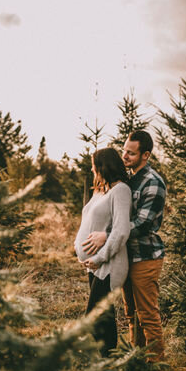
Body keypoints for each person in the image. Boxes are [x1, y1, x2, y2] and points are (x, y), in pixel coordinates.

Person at [82, 130, 167, 361]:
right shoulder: (128, 179)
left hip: (145, 256)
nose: (125, 156)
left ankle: (156, 363)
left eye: (131, 153)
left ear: (145, 155)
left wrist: (106, 235)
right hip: (125, 256)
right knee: (131, 314)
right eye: (124, 151)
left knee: (147, 313)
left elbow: (143, 223)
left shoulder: (153, 183)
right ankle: (135, 357)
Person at [74, 147, 132, 356]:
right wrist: (78, 247)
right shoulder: (101, 190)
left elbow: (121, 230)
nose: (92, 169)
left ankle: (90, 353)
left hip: (110, 263)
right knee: (104, 314)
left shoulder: (121, 191)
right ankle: (108, 357)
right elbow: (87, 220)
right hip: (94, 265)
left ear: (103, 166)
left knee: (95, 313)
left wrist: (99, 257)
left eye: (94, 165)